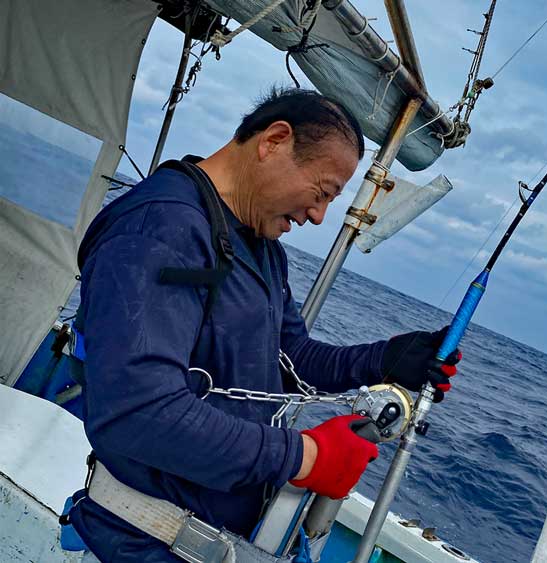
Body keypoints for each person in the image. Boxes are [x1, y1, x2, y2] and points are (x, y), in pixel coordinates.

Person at [67, 87, 460, 562]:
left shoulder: (262, 250)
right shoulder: (160, 229)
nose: (317, 216)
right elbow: (137, 412)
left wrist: (386, 358)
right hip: (141, 545)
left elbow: (291, 358)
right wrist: (305, 457)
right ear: (274, 141)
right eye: (322, 193)